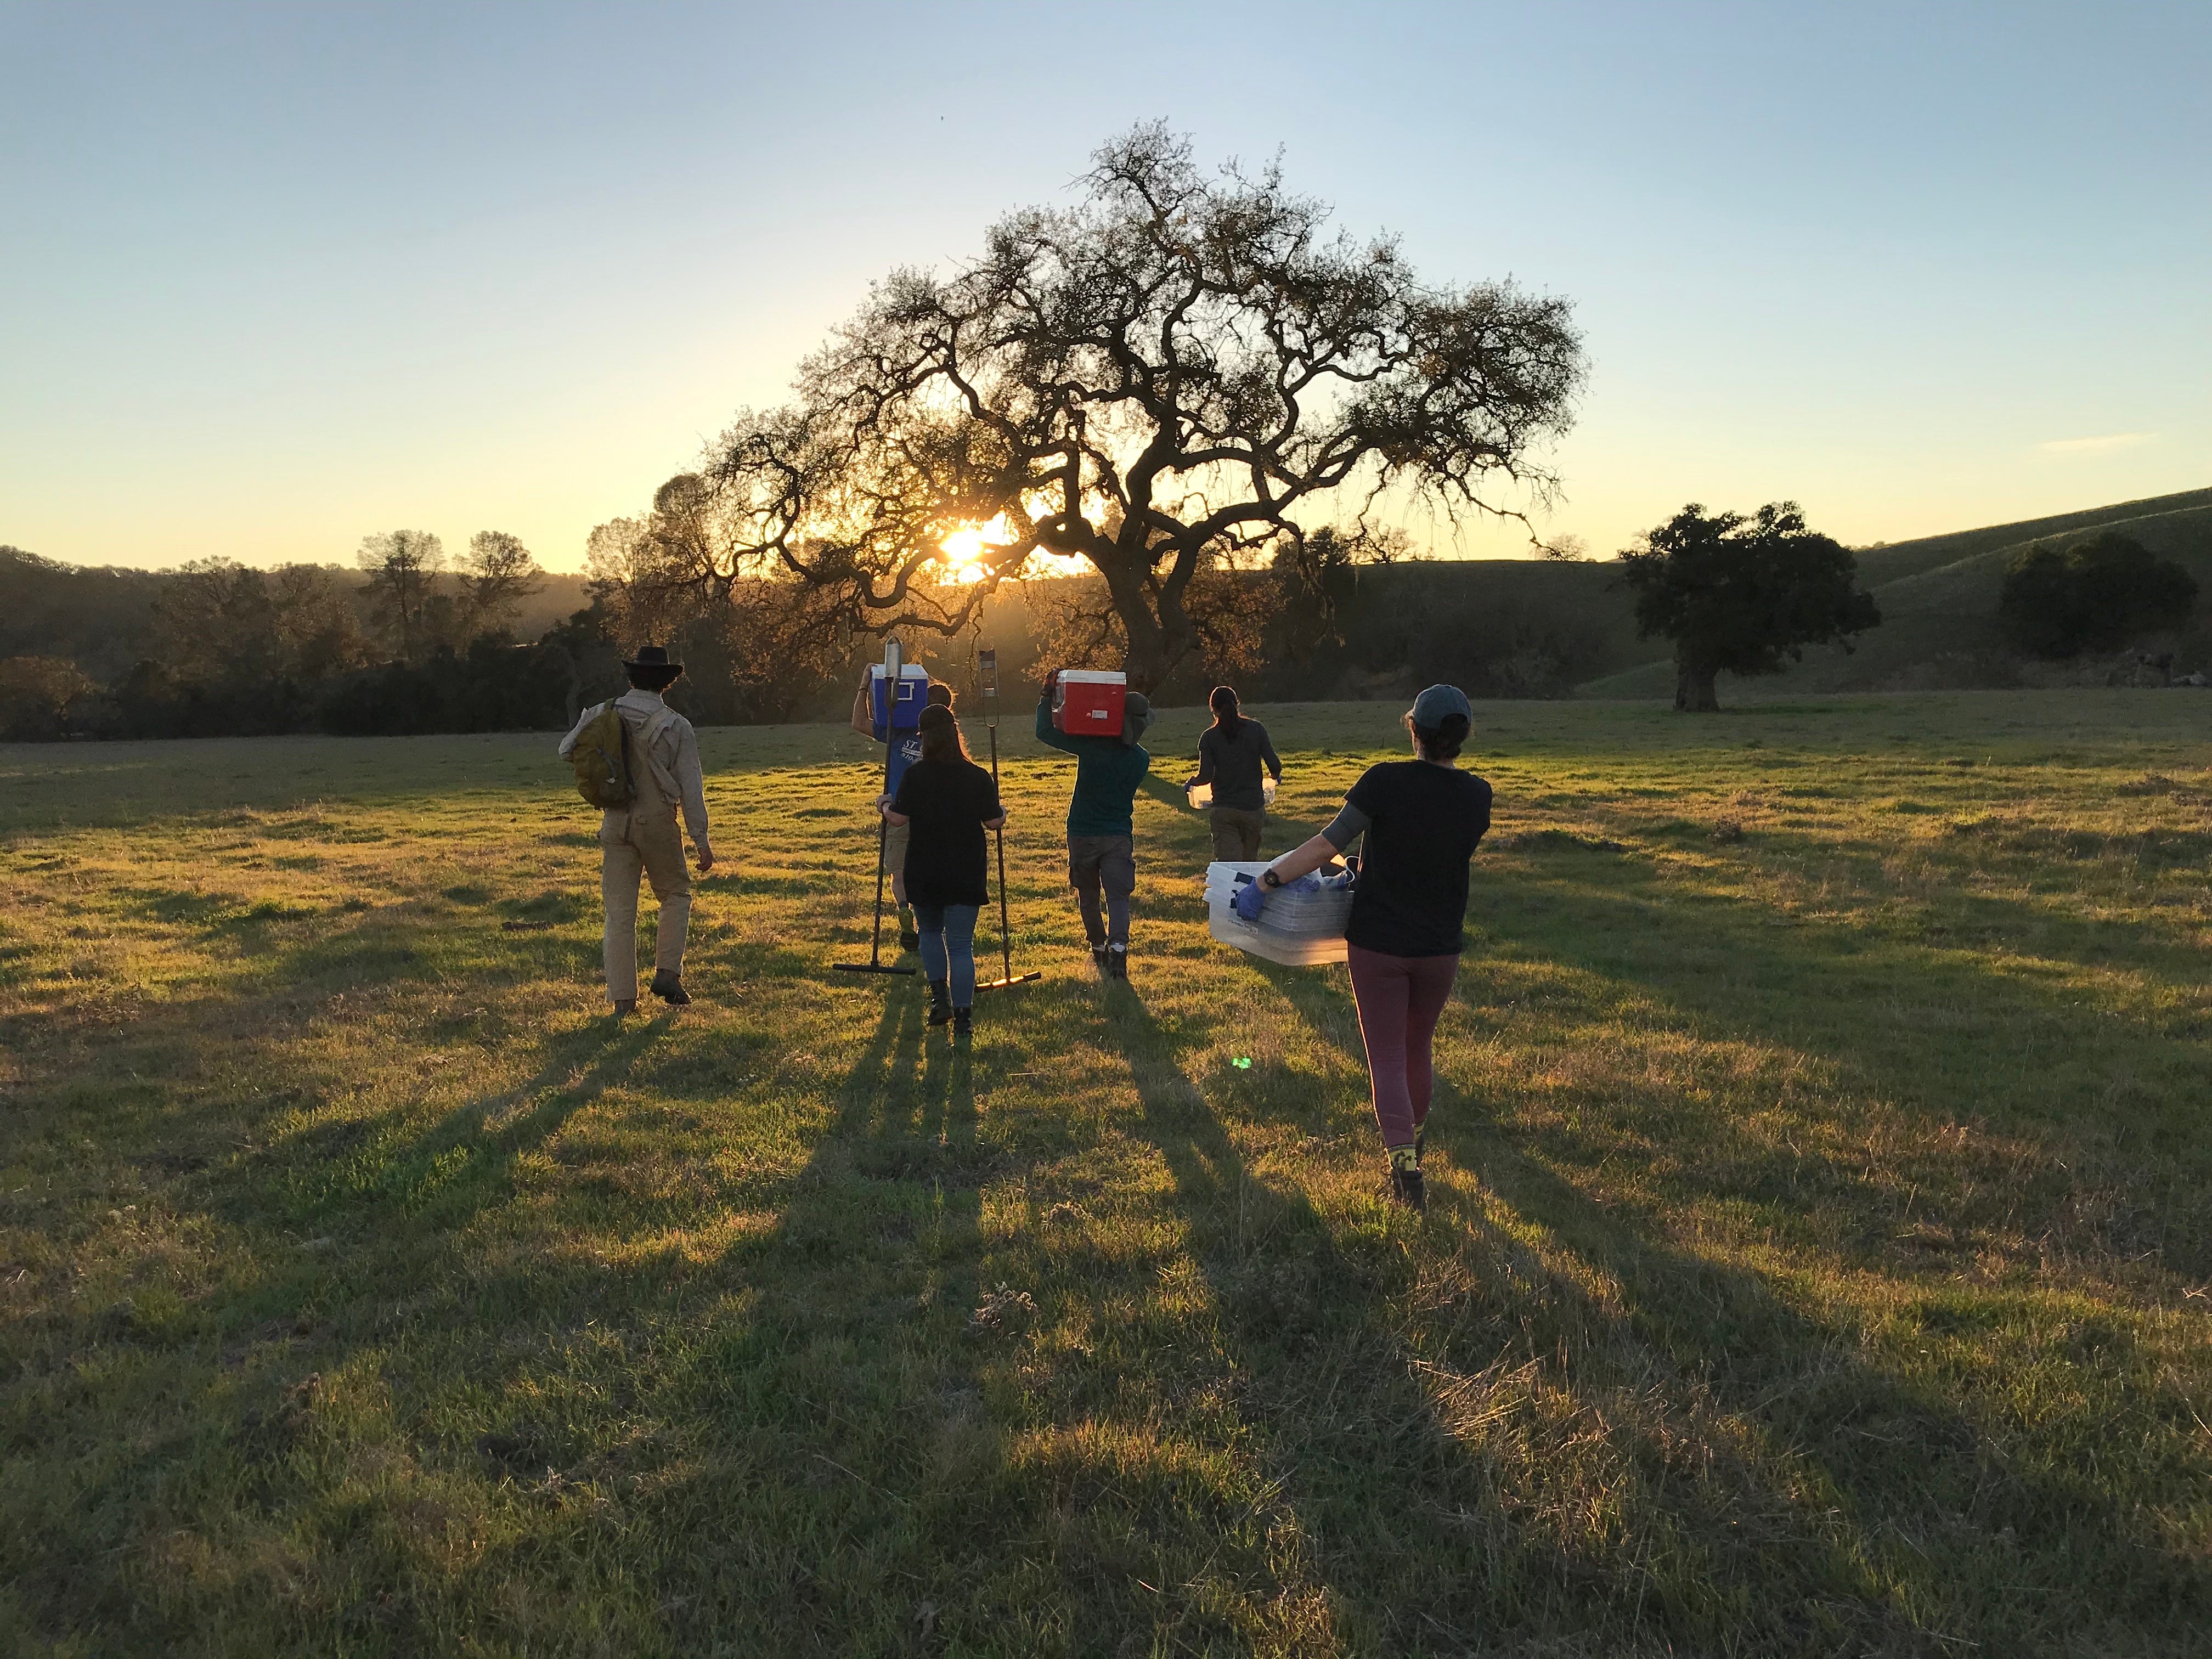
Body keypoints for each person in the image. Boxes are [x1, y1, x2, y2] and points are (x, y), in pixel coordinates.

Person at [1239, 685, 1489, 1211]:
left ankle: (1404, 1170)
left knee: (1387, 1059)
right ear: (1462, 738)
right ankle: (1413, 1145)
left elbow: (1329, 843)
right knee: (1418, 1048)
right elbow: (1431, 854)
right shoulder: (1477, 795)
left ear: (1413, 730)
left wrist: (1266, 882)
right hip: (1441, 947)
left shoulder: (1384, 780)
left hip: (1378, 944)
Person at [557, 645, 715, 1013]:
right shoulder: (676, 725)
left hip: (614, 820)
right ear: (666, 683)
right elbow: (692, 789)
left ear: (631, 678)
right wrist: (701, 841)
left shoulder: (602, 712)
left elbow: (566, 750)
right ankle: (667, 973)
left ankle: (624, 1002)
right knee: (675, 895)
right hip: (658, 819)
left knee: (619, 914)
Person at [884, 704, 1006, 1040]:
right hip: (965, 869)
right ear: (955, 732)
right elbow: (993, 821)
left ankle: (940, 999)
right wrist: (1004, 811)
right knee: (961, 945)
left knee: (929, 932)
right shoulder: (978, 776)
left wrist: (881, 804)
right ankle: (964, 1019)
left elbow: (898, 818)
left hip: (924, 867)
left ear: (923, 737)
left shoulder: (915, 775)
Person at [1034, 669, 1152, 979]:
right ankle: (1119, 950)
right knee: (1118, 897)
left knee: (1088, 895)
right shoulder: (1141, 759)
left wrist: (1047, 697)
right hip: (1118, 834)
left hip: (1083, 832)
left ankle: (1098, 948)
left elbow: (1045, 732)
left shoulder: (1092, 746)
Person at [850, 672, 953, 950]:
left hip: (898, 811)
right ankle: (928, 922)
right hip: (936, 815)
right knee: (932, 870)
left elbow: (859, 722)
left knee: (899, 872)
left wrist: (864, 687)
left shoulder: (898, 730)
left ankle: (904, 907)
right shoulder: (950, 744)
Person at [1185, 685, 1282, 860]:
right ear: (1237, 704)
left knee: (1229, 865)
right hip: (1253, 809)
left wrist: (1191, 782)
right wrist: (1275, 777)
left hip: (1225, 810)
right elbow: (1274, 766)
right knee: (1249, 864)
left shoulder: (1209, 737)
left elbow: (1206, 776)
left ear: (1213, 709)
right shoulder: (1256, 729)